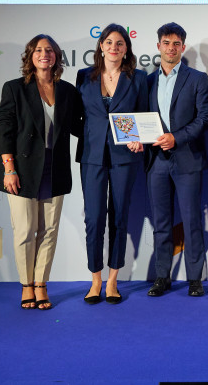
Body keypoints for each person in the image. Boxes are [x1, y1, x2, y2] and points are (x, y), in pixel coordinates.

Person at [0, 34, 81, 310]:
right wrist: (9, 169)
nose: (45, 54)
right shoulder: (15, 88)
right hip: (21, 168)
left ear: (57, 56)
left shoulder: (67, 90)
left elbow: (81, 126)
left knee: (49, 230)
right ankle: (26, 285)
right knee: (26, 230)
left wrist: (119, 131)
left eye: (50, 50)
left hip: (55, 168)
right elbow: (5, 129)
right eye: (39, 50)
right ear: (30, 56)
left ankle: (41, 284)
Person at [76, 23, 149, 305]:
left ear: (126, 48)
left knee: (119, 216)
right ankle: (95, 280)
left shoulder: (138, 78)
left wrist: (139, 137)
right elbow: (77, 117)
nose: (114, 48)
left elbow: (145, 115)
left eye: (120, 43)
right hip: (92, 157)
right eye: (109, 42)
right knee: (94, 218)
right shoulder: (84, 76)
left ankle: (113, 281)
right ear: (101, 46)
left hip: (124, 157)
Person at [144, 22, 208, 298]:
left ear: (183, 48)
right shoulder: (146, 81)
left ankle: (194, 279)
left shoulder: (197, 79)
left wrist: (177, 137)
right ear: (158, 46)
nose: (171, 48)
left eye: (176, 44)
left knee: (191, 220)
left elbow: (205, 118)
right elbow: (139, 118)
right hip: (156, 161)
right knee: (161, 222)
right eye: (166, 43)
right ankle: (162, 276)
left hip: (188, 159)